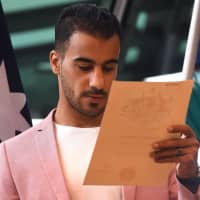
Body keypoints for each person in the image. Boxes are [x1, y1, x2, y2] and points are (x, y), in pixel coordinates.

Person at [0, 3, 199, 200]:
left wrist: (189, 176)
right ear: (55, 63)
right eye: (84, 67)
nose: (98, 81)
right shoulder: (13, 157)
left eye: (108, 68)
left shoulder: (154, 140)